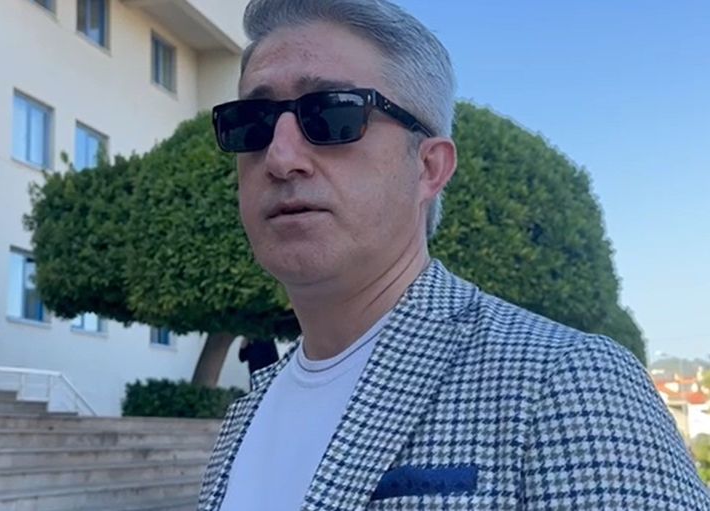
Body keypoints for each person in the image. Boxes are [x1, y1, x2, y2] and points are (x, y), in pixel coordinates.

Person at [200, 0, 710, 509]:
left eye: (332, 114)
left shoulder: (570, 385)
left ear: (430, 168)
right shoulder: (246, 416)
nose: (280, 157)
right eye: (253, 122)